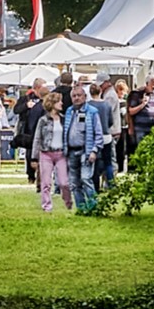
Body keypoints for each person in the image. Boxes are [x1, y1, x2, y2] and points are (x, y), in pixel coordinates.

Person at [66, 80, 107, 212]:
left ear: (85, 97)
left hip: (86, 151)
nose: (76, 98)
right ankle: (81, 208)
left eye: (79, 95)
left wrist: (94, 151)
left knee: (85, 179)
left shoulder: (92, 112)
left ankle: (94, 206)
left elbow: (98, 134)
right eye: (74, 96)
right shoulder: (69, 111)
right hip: (71, 152)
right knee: (74, 183)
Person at [34, 93, 68, 212]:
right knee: (46, 182)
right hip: (46, 153)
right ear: (52, 104)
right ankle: (46, 205)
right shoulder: (43, 120)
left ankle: (67, 201)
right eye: (59, 101)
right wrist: (34, 158)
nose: (62, 103)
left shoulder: (64, 119)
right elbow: (37, 138)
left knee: (64, 182)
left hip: (61, 154)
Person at [13, 78, 48, 182]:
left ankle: (41, 175)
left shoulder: (46, 100)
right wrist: (26, 106)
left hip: (41, 126)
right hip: (28, 128)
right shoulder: (26, 98)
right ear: (36, 88)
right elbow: (16, 110)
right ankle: (31, 175)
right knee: (30, 152)